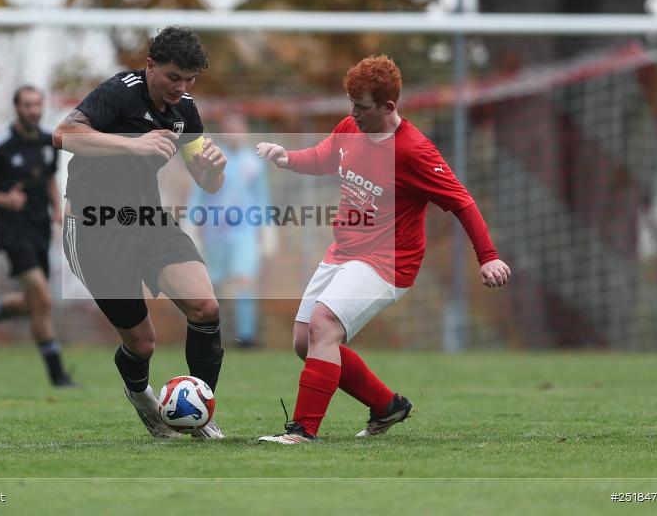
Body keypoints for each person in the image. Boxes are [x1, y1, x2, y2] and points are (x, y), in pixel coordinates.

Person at [256, 55, 511, 443]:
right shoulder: (350, 128)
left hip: (387, 263)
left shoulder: (414, 151)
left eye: (362, 106)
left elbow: (462, 201)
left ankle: (302, 432)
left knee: (324, 327)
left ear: (389, 107)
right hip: (342, 253)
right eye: (351, 103)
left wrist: (488, 257)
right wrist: (288, 158)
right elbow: (325, 157)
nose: (353, 113)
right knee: (304, 342)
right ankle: (386, 406)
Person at [53, 26, 227, 439]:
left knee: (206, 308)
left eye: (189, 80)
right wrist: (133, 144)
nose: (181, 88)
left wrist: (214, 169)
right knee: (142, 343)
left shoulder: (185, 109)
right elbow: (62, 133)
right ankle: (139, 394)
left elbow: (206, 180)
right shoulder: (121, 91)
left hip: (148, 219)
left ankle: (200, 412)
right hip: (94, 229)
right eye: (173, 77)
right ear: (150, 66)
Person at [0, 85, 76, 388]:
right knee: (42, 297)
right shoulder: (0, 144)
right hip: (12, 231)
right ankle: (57, 374)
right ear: (17, 108)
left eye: (37, 104)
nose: (33, 110)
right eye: (27, 105)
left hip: (39, 229)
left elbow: (50, 175)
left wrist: (56, 207)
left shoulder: (48, 140)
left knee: (33, 303)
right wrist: (4, 199)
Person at [187, 113, 268, 348]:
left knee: (244, 280)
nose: (234, 133)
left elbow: (261, 197)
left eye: (238, 127)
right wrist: (193, 222)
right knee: (216, 284)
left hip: (245, 232)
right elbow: (198, 194)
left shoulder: (254, 162)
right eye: (229, 128)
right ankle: (211, 337)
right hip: (214, 231)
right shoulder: (211, 158)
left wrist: (264, 227)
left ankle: (247, 338)